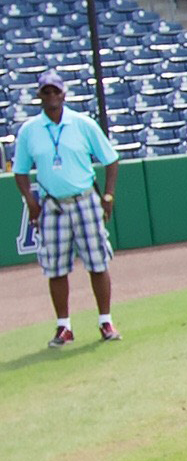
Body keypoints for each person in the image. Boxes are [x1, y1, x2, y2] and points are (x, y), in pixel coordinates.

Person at [14, 69, 119, 346]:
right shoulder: (29, 131)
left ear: (63, 94)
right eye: (45, 92)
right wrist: (30, 201)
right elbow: (21, 172)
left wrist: (108, 196)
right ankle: (64, 326)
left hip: (84, 199)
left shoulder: (82, 123)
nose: (51, 96)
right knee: (55, 267)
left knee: (97, 262)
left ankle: (105, 321)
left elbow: (110, 159)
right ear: (39, 96)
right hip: (53, 205)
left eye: (55, 91)